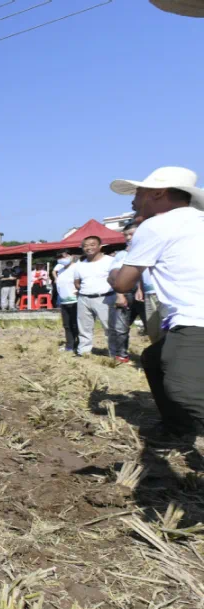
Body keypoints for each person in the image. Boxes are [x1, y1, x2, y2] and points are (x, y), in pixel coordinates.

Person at [109, 167, 204, 445]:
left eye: (138, 192)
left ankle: (182, 424)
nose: (133, 199)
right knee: (152, 358)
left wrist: (113, 273)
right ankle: (177, 427)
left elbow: (123, 284)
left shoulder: (157, 225)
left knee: (184, 390)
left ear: (159, 193)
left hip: (196, 318)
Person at [108, 221, 147, 364]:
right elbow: (113, 276)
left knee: (152, 328)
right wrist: (120, 294)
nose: (129, 238)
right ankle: (121, 355)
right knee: (121, 328)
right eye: (126, 235)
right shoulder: (122, 255)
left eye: (132, 234)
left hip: (147, 294)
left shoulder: (151, 249)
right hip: (127, 293)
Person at [73, 236, 116, 357]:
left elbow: (116, 279)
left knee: (110, 327)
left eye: (92, 245)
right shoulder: (80, 263)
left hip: (105, 298)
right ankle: (84, 352)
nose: (88, 248)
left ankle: (114, 353)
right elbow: (77, 282)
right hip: (84, 298)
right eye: (85, 245)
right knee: (84, 327)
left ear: (100, 247)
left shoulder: (110, 261)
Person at [54, 255, 80, 352]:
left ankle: (78, 344)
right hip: (64, 301)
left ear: (72, 256)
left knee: (75, 324)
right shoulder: (60, 270)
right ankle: (69, 345)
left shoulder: (76, 267)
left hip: (75, 300)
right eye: (59, 257)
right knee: (67, 325)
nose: (61, 258)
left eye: (64, 256)